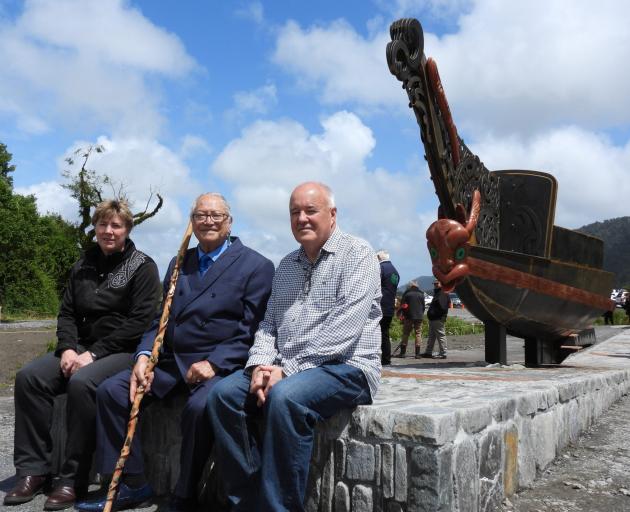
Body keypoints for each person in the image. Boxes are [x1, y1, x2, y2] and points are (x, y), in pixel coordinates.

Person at [76, 193, 274, 512]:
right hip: (172, 362)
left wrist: (214, 363)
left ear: (230, 221)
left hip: (220, 365)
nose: (208, 221)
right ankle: (133, 483)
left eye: (216, 215)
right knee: (112, 391)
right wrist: (144, 355)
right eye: (200, 215)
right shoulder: (181, 261)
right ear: (191, 221)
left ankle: (184, 494)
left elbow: (252, 330)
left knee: (200, 407)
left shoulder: (257, 266)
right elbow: (161, 318)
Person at [206, 182, 381, 512]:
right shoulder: (286, 265)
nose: (302, 218)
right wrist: (259, 365)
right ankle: (246, 502)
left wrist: (287, 370)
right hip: (286, 366)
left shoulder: (358, 255)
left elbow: (345, 329)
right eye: (294, 212)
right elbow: (268, 324)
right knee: (223, 396)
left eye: (310, 210)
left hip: (347, 366)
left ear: (332, 215)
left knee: (286, 398)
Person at [4, 200, 161, 510]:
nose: (108, 231)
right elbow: (66, 314)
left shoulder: (142, 266)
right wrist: (67, 349)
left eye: (116, 225)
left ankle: (70, 478)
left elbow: (139, 323)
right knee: (29, 378)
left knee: (83, 384)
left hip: (121, 350)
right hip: (79, 349)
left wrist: (93, 354)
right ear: (95, 228)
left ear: (127, 229)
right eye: (103, 224)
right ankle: (33, 470)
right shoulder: (83, 265)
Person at [376, 250, 399, 365]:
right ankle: (386, 358)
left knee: (375, 333)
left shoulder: (381, 269)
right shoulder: (395, 271)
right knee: (385, 333)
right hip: (389, 307)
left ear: (380, 257)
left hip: (380, 306)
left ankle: (379, 358)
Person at [421, 279, 451, 359]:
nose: (435, 285)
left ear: (442, 284)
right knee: (431, 336)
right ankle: (428, 352)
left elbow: (443, 308)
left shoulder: (443, 293)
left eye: (437, 283)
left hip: (438, 318)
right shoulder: (438, 293)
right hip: (433, 318)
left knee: (441, 336)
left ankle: (443, 353)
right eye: (434, 284)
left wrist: (434, 313)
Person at [397, 281, 425, 358]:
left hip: (409, 317)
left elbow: (403, 306)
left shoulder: (407, 294)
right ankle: (417, 354)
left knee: (406, 333)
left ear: (410, 286)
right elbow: (423, 307)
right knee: (418, 334)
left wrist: (402, 315)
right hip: (419, 316)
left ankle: (402, 353)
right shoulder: (421, 294)